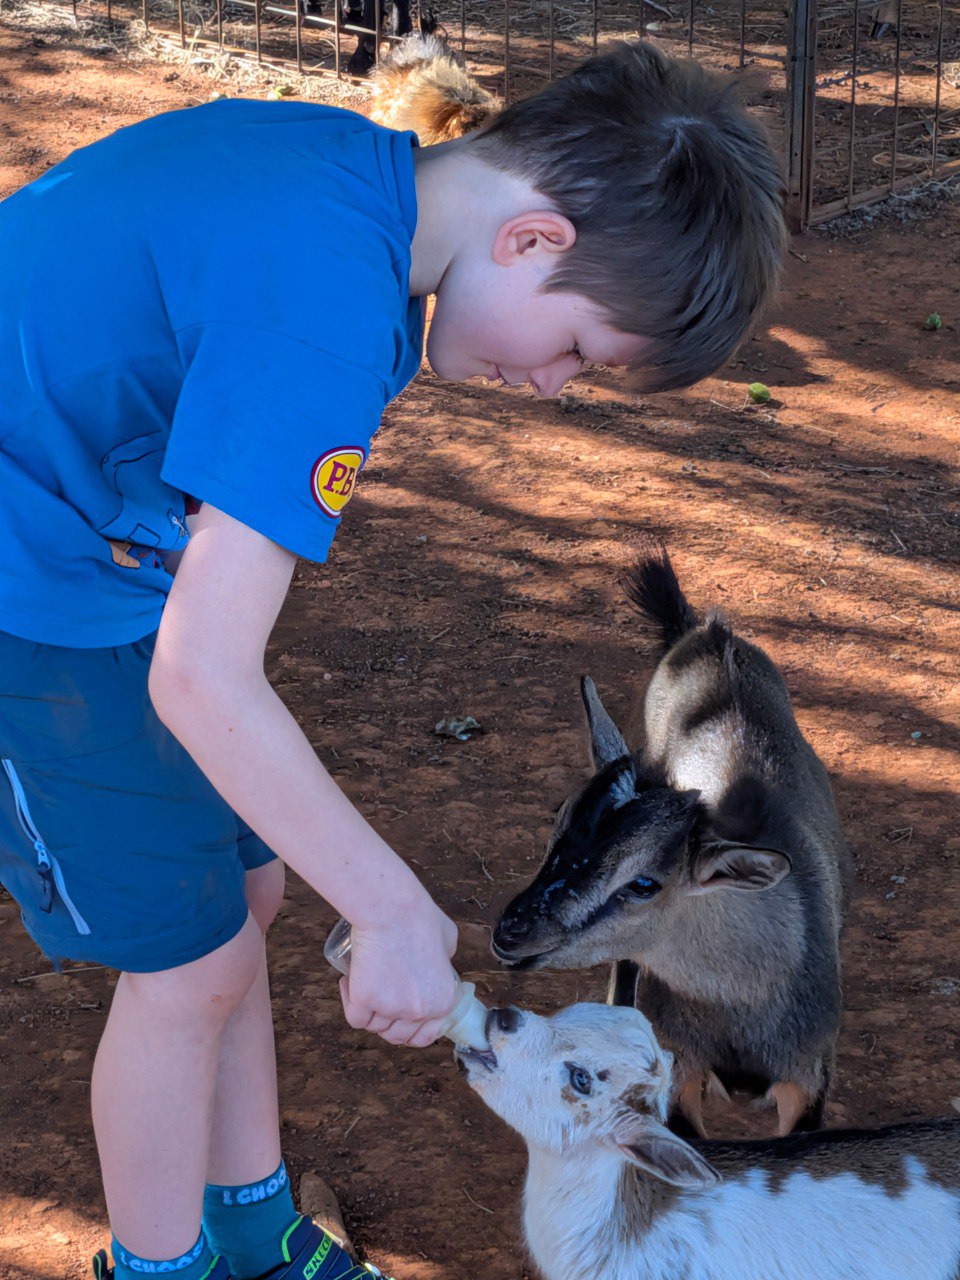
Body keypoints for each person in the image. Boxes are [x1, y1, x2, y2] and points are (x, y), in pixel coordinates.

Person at [0, 39, 786, 1280]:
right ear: (535, 239)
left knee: (246, 901)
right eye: (580, 350)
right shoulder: (329, 312)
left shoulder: (352, 186)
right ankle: (160, 1268)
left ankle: (252, 1229)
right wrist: (388, 904)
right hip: (29, 578)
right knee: (188, 964)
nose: (556, 389)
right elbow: (202, 675)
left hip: (94, 538)